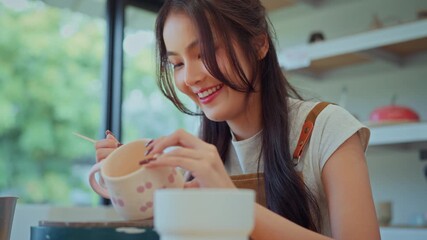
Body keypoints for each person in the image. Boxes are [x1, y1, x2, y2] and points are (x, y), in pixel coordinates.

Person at [95, 0, 381, 239]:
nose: (190, 77)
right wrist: (133, 183)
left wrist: (231, 202)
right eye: (178, 64)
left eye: (205, 52)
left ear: (258, 45)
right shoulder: (204, 149)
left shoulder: (327, 127)